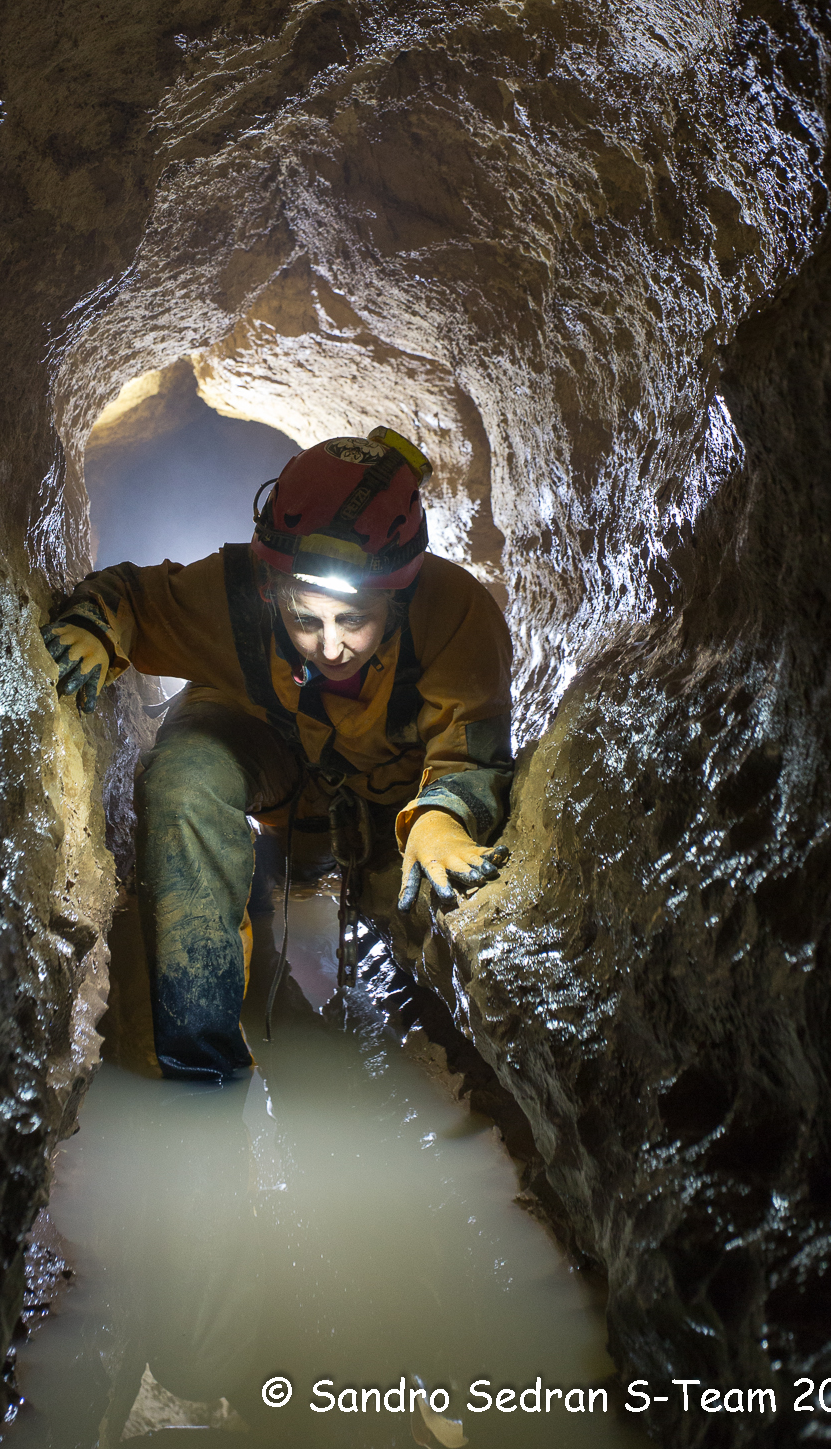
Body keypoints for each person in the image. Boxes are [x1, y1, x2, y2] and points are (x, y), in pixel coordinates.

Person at [42, 425, 513, 1083]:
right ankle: (200, 1071)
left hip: (366, 800)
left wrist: (443, 813)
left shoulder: (454, 616)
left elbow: (475, 749)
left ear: (398, 599)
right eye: (305, 619)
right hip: (251, 735)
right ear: (272, 592)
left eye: (354, 620)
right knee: (184, 781)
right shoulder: (235, 594)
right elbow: (133, 599)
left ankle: (304, 914)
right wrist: (96, 627)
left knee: (401, 892)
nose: (330, 646)